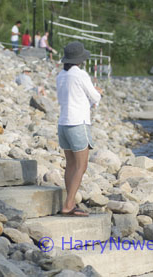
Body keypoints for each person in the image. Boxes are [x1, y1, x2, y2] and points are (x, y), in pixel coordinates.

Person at [56, 41, 103, 216]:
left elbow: (67, 97)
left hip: (63, 124)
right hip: (78, 123)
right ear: (80, 59)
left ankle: (70, 202)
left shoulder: (61, 75)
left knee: (70, 165)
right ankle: (69, 205)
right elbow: (94, 96)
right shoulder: (81, 75)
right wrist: (98, 92)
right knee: (81, 166)